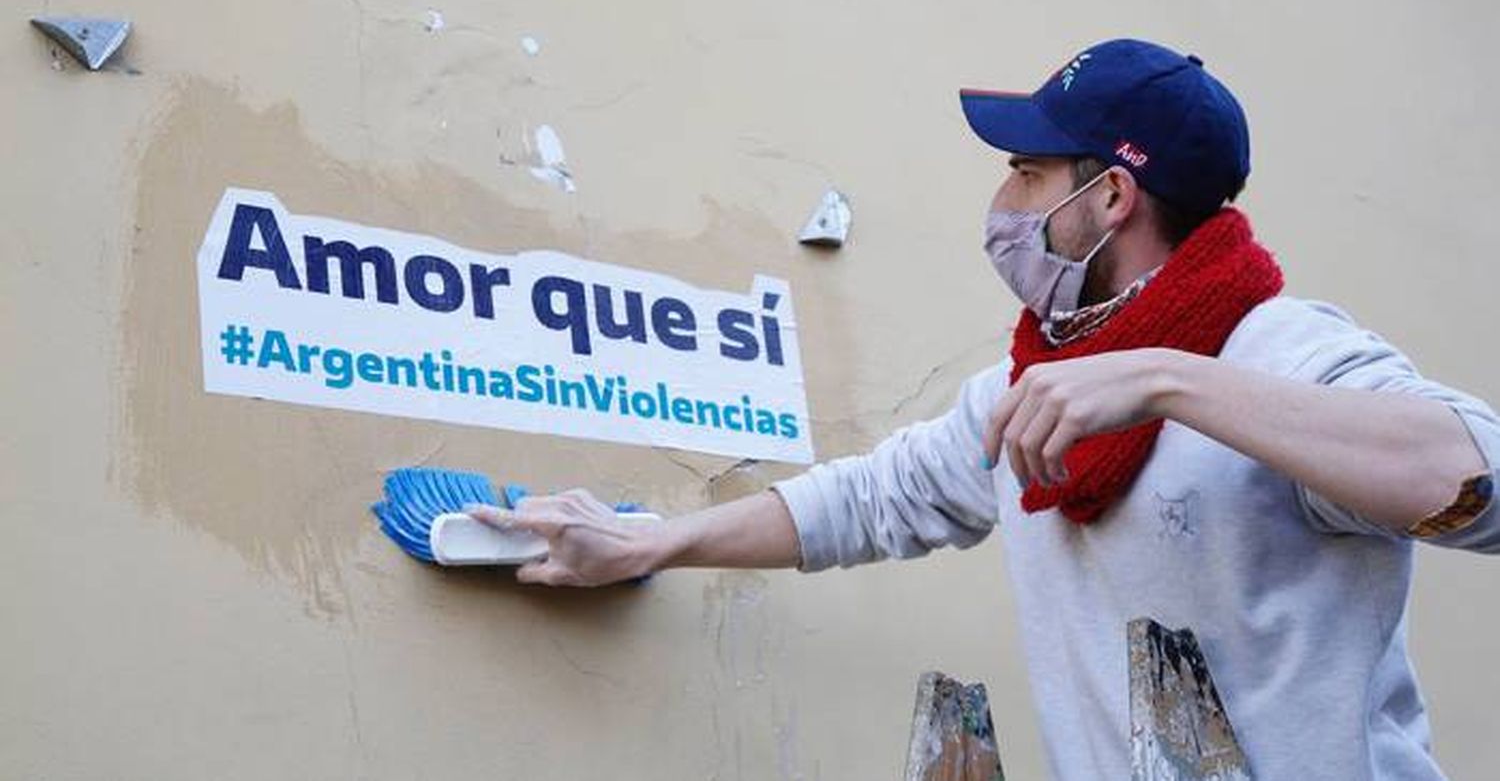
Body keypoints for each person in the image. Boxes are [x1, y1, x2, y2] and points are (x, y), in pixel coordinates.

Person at [467, 39, 1500, 780]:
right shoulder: (1033, 389)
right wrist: (650, 544)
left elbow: (1477, 481)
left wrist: (1168, 377)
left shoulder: (1277, 350)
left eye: (1026, 171)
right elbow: (870, 500)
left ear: (1110, 199)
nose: (1004, 203)